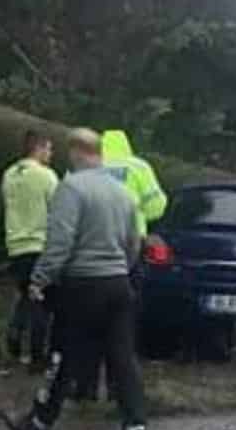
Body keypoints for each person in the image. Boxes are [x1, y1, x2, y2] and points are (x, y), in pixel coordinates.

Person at [5, 129, 150, 430]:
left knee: (63, 354)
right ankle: (135, 428)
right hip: (117, 285)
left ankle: (41, 421)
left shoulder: (71, 189)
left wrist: (40, 279)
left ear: (76, 152)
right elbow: (133, 244)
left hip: (83, 285)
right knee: (122, 358)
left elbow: (60, 243)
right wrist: (121, 270)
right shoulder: (122, 192)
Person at [72, 128, 168, 399]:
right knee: (122, 321)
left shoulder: (86, 168)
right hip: (130, 247)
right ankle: (118, 388)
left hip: (90, 249)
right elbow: (157, 205)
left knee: (87, 321)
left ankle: (85, 387)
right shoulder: (137, 167)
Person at [1, 130, 58, 370]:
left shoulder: (9, 175)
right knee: (43, 303)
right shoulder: (46, 176)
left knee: (25, 293)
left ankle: (15, 330)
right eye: (49, 149)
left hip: (15, 246)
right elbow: (60, 210)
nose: (51, 154)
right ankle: (37, 355)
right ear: (40, 148)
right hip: (40, 244)